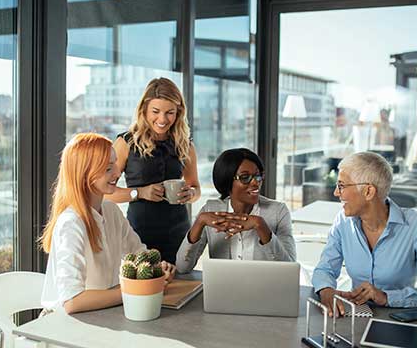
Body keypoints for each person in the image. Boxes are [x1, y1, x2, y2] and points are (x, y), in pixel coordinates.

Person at [39, 133, 175, 314]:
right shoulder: (71, 223)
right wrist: (137, 290)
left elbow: (140, 254)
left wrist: (158, 270)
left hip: (105, 314)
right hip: (66, 325)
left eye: (116, 165)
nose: (118, 173)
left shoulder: (110, 210)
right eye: (108, 168)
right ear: (85, 173)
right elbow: (72, 301)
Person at [312, 152, 417, 317]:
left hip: (400, 320)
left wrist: (386, 297)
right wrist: (326, 290)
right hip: (356, 317)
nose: (336, 192)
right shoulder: (343, 222)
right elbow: (324, 269)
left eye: (341, 186)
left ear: (368, 191)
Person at [107, 78, 201, 264]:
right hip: (138, 234)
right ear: (144, 110)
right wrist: (140, 192)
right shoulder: (126, 143)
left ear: (178, 113)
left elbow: (196, 189)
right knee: (144, 289)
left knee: (180, 287)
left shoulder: (185, 144)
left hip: (179, 232)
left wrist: (190, 194)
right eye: (156, 112)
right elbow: (105, 193)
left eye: (170, 113)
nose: (162, 119)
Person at [176, 148, 296, 273]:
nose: (256, 183)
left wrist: (260, 226)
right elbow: (182, 267)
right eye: (245, 177)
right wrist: (199, 222)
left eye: (258, 176)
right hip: (224, 289)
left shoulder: (278, 212)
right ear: (227, 180)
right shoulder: (211, 210)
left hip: (264, 290)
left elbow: (290, 270)